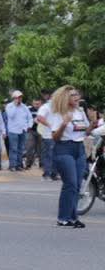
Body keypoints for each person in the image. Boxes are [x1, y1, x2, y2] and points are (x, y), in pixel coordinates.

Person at [46, 85, 89, 228]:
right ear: (66, 98)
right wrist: (64, 124)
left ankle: (72, 217)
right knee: (70, 183)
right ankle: (63, 218)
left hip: (79, 148)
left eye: (77, 94)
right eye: (73, 95)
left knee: (77, 185)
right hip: (64, 148)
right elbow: (55, 137)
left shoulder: (80, 112)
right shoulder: (58, 113)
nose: (77, 97)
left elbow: (85, 132)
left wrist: (94, 122)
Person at [4, 89, 32, 171]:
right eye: (18, 97)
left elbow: (29, 117)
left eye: (20, 97)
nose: (20, 99)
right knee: (13, 148)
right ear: (14, 98)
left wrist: (28, 126)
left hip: (23, 130)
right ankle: (12, 165)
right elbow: (11, 115)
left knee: (21, 148)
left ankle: (19, 165)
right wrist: (15, 105)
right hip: (13, 130)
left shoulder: (24, 107)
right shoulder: (9, 106)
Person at [35, 91, 58, 181]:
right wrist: (50, 126)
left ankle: (54, 174)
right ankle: (46, 174)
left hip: (57, 135)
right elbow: (39, 118)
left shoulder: (58, 107)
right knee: (49, 155)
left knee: (55, 155)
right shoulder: (46, 107)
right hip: (48, 135)